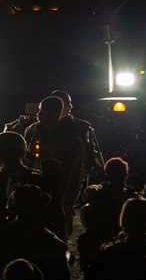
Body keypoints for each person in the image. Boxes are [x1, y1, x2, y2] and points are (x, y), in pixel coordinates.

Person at [22, 92, 103, 240]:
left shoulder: (70, 137)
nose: (38, 115)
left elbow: (77, 171)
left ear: (54, 114)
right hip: (37, 188)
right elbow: (25, 159)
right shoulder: (32, 131)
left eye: (43, 112)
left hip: (62, 190)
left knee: (59, 233)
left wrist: (67, 201)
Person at [76, 157, 142, 275]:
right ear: (126, 175)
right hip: (124, 252)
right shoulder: (132, 198)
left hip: (100, 252)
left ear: (107, 174)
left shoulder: (96, 195)